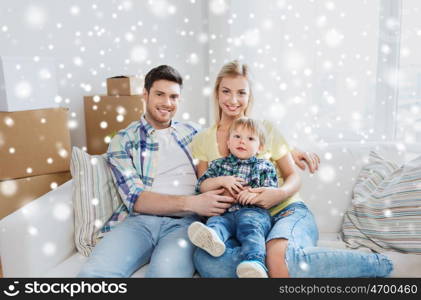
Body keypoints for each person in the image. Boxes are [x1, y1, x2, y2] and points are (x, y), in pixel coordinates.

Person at [191, 60, 393, 278]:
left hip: (285, 211)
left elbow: (293, 176)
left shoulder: (266, 130)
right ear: (216, 93)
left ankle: (376, 263)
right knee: (206, 260)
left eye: (241, 92)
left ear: (250, 96)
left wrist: (277, 194)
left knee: (277, 257)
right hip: (238, 221)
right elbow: (205, 188)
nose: (233, 100)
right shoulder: (203, 139)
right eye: (226, 91)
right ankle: (260, 264)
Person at [78, 65, 237, 278]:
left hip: (185, 225)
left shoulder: (194, 132)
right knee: (93, 275)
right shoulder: (123, 140)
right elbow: (136, 198)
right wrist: (192, 203)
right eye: (160, 94)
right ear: (145, 94)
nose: (167, 103)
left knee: (164, 276)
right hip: (139, 221)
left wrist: (287, 152)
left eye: (173, 97)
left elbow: (239, 139)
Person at [188, 117, 279, 278]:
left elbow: (271, 192)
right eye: (237, 136)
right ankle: (213, 240)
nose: (242, 142)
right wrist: (221, 180)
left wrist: (252, 195)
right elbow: (202, 186)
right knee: (216, 222)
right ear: (228, 143)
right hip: (225, 213)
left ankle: (254, 263)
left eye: (250, 138)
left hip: (253, 212)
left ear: (260, 147)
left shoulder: (264, 166)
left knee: (251, 228)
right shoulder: (218, 164)